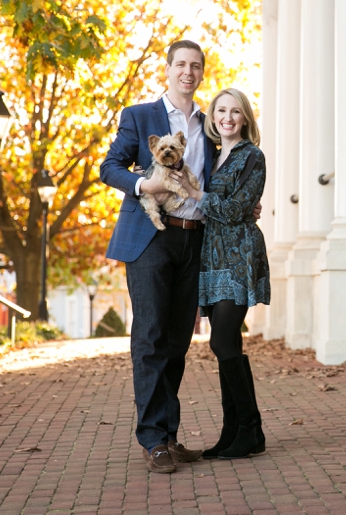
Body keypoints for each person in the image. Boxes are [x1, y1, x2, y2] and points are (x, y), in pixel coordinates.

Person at [100, 40, 214, 474]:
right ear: (168, 69)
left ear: (202, 73)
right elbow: (109, 166)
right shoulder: (139, 115)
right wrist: (142, 186)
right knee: (149, 337)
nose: (188, 72)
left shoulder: (208, 124)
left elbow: (212, 179)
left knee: (177, 342)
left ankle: (168, 435)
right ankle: (152, 441)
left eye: (196, 66)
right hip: (149, 237)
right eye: (181, 65)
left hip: (193, 239)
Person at [173, 87, 270, 460]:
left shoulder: (252, 156)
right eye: (221, 111)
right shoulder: (212, 155)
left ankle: (250, 429)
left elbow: (236, 210)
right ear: (213, 117)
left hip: (239, 254)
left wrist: (198, 197)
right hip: (211, 256)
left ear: (245, 118)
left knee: (223, 341)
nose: (227, 117)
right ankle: (237, 432)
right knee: (227, 343)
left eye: (235, 112)